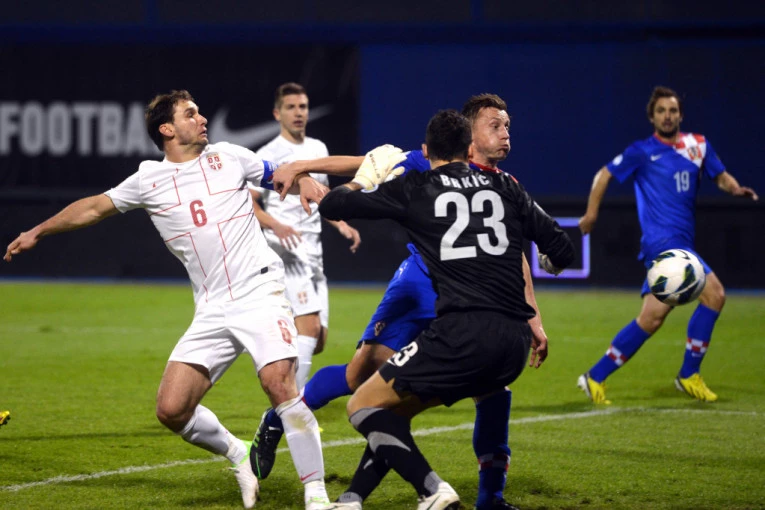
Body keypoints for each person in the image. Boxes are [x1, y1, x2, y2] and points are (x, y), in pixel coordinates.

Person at [3, 90, 334, 510]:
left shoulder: (230, 156)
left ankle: (317, 495)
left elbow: (279, 174)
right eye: (190, 114)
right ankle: (239, 454)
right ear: (166, 129)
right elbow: (93, 208)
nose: (202, 118)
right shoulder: (148, 179)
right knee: (172, 409)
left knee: (278, 383)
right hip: (212, 305)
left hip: (259, 289)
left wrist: (305, 180)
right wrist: (38, 231)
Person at [253, 94, 550, 509]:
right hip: (420, 285)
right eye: (495, 126)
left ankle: (488, 498)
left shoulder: (504, 184)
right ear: (469, 135)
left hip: (474, 302)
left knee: (490, 387)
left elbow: (512, 256)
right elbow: (364, 164)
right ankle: (278, 419)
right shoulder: (428, 161)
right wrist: (303, 166)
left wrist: (532, 316)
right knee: (361, 377)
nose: (505, 134)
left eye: (507, 126)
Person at [318, 109, 575, 509]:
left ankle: (432, 489)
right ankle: (355, 499)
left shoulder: (417, 187)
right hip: (513, 343)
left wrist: (363, 179)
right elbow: (562, 250)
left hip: (462, 333)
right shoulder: (507, 186)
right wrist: (550, 264)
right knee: (403, 408)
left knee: (363, 405)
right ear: (469, 148)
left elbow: (333, 205)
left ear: (427, 151)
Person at [577, 85, 758, 404]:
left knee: (651, 318)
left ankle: (595, 376)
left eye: (672, 110)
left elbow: (719, 175)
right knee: (715, 294)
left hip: (681, 242)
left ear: (681, 115)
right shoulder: (641, 151)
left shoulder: (697, 146)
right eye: (661, 111)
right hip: (663, 244)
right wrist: (591, 214)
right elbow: (603, 175)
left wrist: (735, 188)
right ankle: (689, 374)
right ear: (652, 117)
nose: (667, 116)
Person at [250, 82, 361, 389]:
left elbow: (320, 196)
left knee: (318, 339)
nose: (298, 113)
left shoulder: (317, 149)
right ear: (277, 113)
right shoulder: (268, 154)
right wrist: (275, 225)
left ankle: (273, 355)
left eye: (302, 107)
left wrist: (340, 223)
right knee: (309, 328)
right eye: (290, 107)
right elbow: (249, 204)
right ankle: (289, 406)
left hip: (313, 253)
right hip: (285, 251)